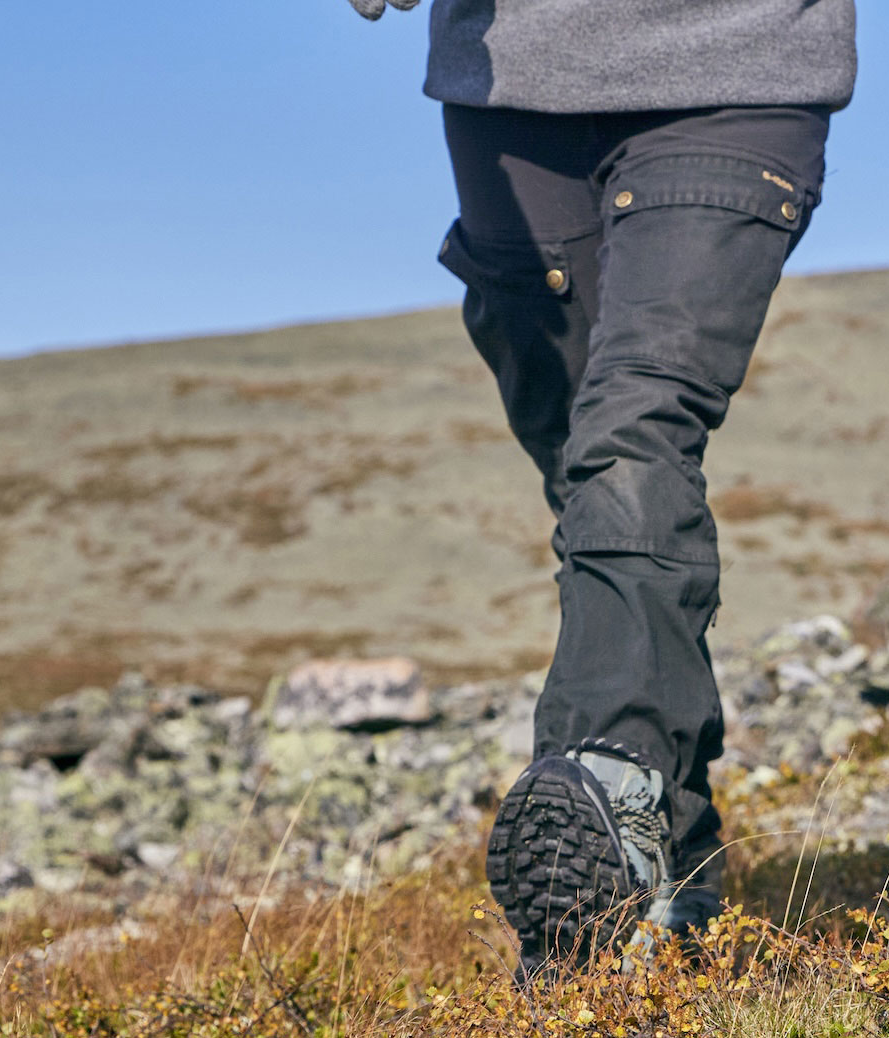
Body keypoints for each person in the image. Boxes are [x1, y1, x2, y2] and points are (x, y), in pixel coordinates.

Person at [347, 0, 854, 976]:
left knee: (634, 432)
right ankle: (673, 874)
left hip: (735, 63)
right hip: (509, 93)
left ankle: (604, 799)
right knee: (590, 480)